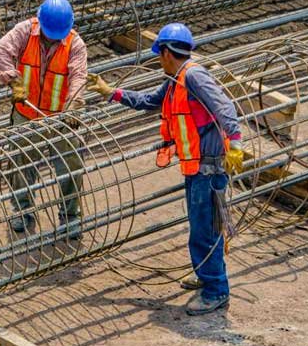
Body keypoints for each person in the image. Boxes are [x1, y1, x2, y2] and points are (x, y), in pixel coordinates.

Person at [87, 23, 243, 315]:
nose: (159, 59)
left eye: (159, 54)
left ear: (168, 53)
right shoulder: (176, 79)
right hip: (195, 166)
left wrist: (235, 145)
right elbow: (150, 101)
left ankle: (216, 290)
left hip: (208, 169)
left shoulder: (194, 76)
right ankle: (205, 274)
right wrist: (113, 93)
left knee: (205, 231)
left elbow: (225, 108)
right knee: (202, 227)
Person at [0, 0, 88, 238]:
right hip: (26, 113)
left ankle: (70, 217)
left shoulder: (75, 44)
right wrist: (14, 81)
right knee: (21, 165)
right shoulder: (25, 31)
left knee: (71, 166)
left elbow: (79, 76)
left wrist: (74, 105)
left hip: (60, 119)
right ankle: (22, 212)